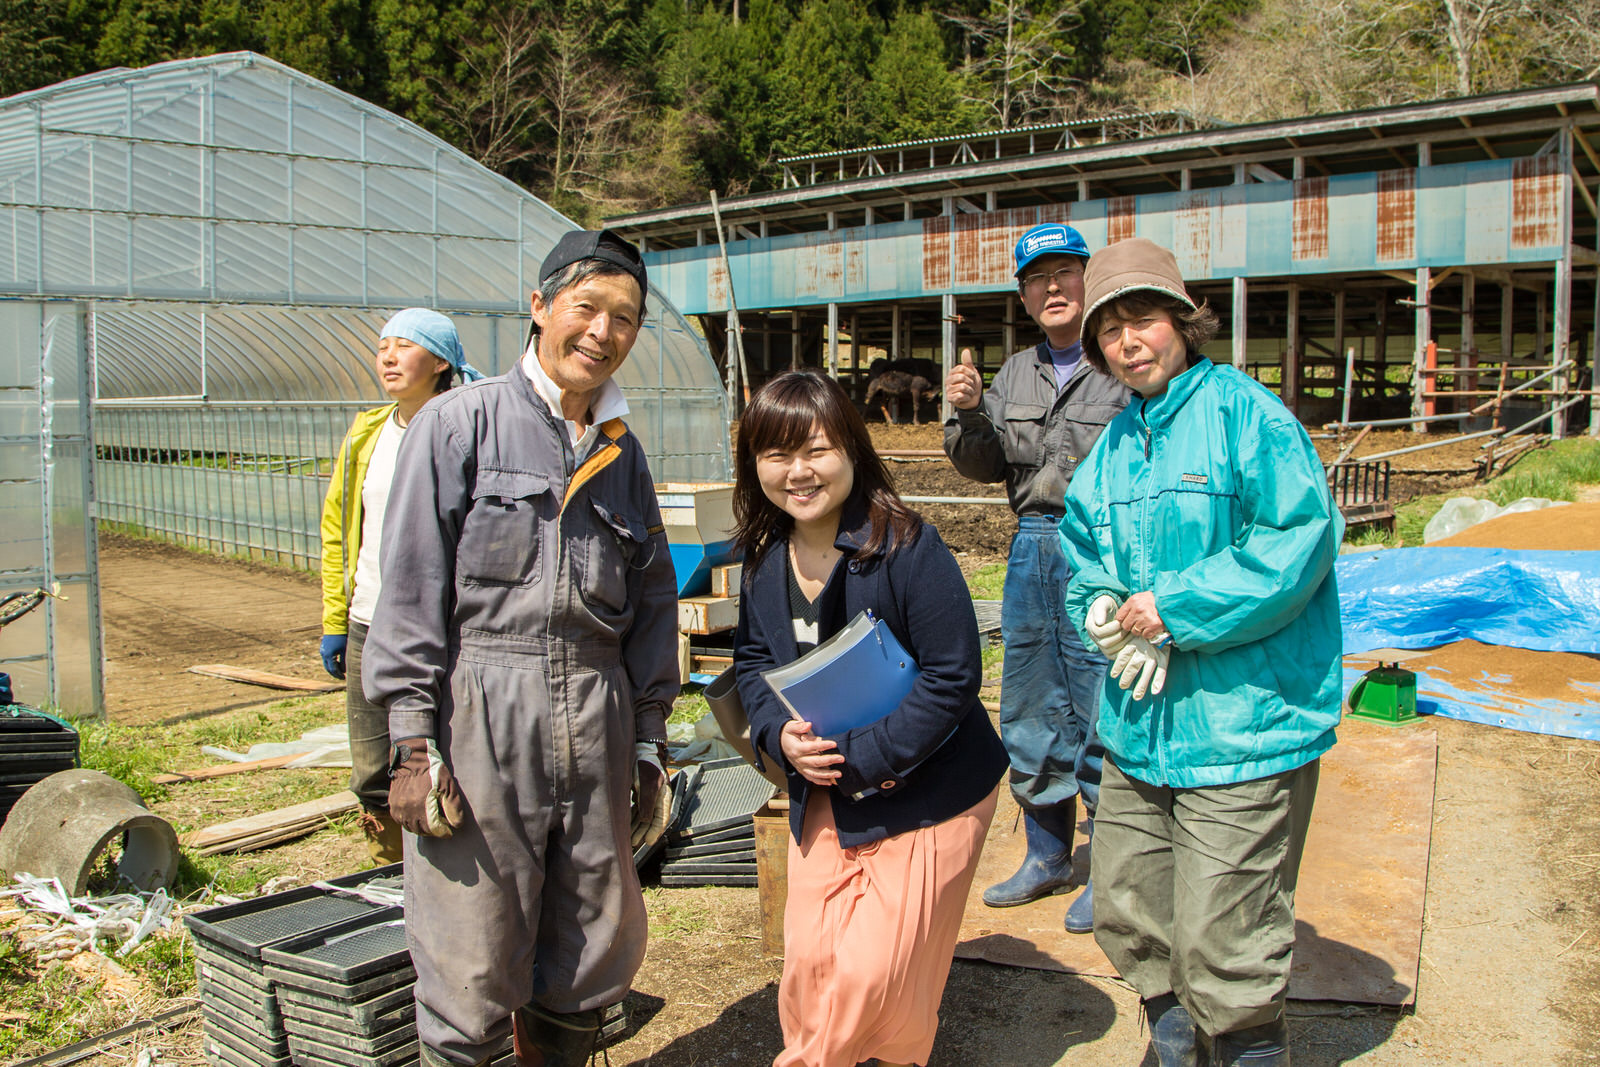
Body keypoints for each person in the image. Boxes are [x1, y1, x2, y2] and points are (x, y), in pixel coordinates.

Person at [361, 230, 680, 1067]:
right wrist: (410, 741)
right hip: (480, 719)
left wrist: (648, 738)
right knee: (470, 953)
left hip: (596, 714)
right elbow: (412, 588)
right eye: (587, 307)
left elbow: (652, 602)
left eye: (625, 318)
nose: (603, 332)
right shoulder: (459, 426)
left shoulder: (623, 454)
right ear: (540, 308)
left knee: (586, 949)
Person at [1058, 237, 1343, 1067]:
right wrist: (1104, 610)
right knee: (1126, 898)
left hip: (1241, 719)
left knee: (1228, 927)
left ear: (1184, 320)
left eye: (1141, 319)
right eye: (1108, 331)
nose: (1127, 342)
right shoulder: (1112, 448)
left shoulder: (1248, 415)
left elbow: (1295, 540)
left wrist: (1173, 609)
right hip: (1141, 719)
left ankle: (1249, 1046)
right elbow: (1086, 556)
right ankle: (1174, 1033)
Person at [733, 371, 1007, 1067]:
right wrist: (776, 735)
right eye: (775, 454)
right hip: (824, 781)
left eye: (816, 449)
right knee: (809, 969)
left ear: (853, 450)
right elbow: (752, 667)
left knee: (871, 975)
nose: (797, 471)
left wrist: (861, 755)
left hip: (931, 787)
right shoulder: (765, 561)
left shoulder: (907, 546)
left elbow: (954, 676)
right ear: (753, 464)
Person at [942, 221, 1130, 933]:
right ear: (1023, 295)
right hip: (1030, 547)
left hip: (1103, 550)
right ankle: (1048, 852)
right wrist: (966, 415)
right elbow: (985, 464)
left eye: (1065, 273)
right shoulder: (1013, 373)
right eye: (1036, 277)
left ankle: (1111, 866)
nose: (1052, 287)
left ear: (1089, 279)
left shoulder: (1120, 359)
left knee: (1101, 703)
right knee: (1028, 699)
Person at [318, 308, 480, 865]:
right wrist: (337, 623)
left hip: (443, 623)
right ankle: (388, 866)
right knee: (370, 764)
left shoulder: (466, 428)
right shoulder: (368, 434)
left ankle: (442, 871)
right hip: (370, 620)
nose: (387, 356)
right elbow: (341, 532)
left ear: (440, 362)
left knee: (441, 748)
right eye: (382, 345)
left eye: (404, 346)